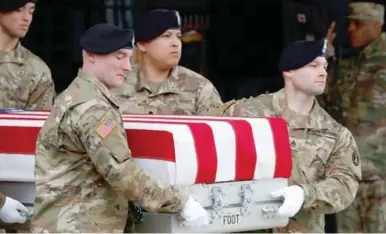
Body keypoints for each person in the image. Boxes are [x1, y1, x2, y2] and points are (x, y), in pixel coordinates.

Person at [30, 23, 209, 233]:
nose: (127, 66)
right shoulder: (92, 108)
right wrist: (181, 202)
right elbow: (123, 174)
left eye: (128, 57)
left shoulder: (76, 95)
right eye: (119, 57)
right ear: (91, 56)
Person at [205, 38, 362, 233]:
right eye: (313, 65)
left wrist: (304, 194)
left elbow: (345, 184)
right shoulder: (246, 113)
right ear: (289, 70)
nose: (323, 72)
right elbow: (199, 142)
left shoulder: (334, 133)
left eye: (325, 66)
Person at [320, 1, 386, 232]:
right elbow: (323, 103)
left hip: (381, 180)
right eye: (349, 23)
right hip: (350, 177)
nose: (351, 29)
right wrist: (323, 57)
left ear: (377, 24)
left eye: (358, 23)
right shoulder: (349, 67)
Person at [114, 9, 223, 115]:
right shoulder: (116, 84)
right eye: (166, 36)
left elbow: (216, 130)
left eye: (178, 36)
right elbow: (102, 129)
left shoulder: (200, 87)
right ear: (142, 44)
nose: (175, 43)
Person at [0, 0, 55, 109]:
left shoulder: (37, 71)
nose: (27, 18)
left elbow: (39, 123)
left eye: (31, 12)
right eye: (19, 10)